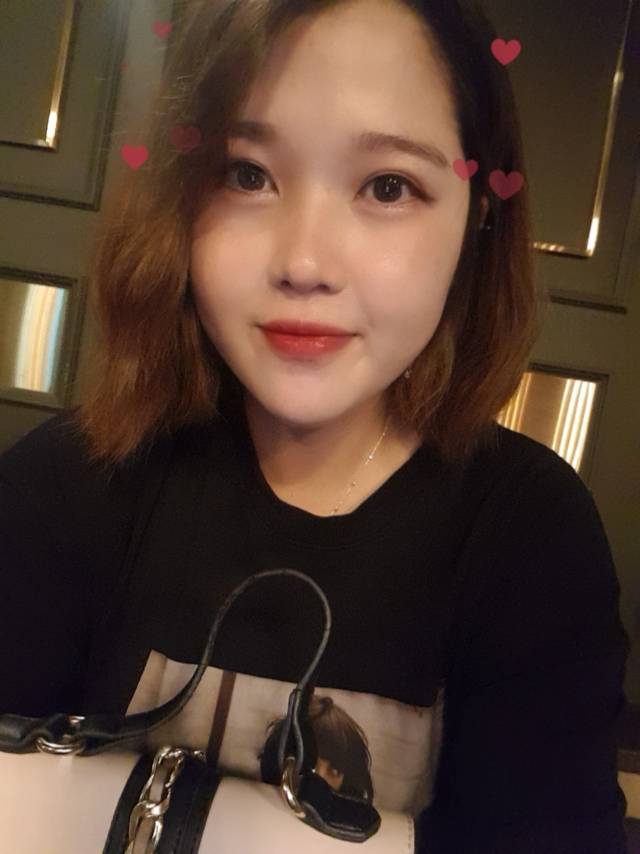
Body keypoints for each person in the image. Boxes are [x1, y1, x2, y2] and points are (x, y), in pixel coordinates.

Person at [0, 0, 631, 851]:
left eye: (388, 186)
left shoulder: (529, 536)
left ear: (479, 214)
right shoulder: (69, 482)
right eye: (246, 174)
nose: (304, 263)